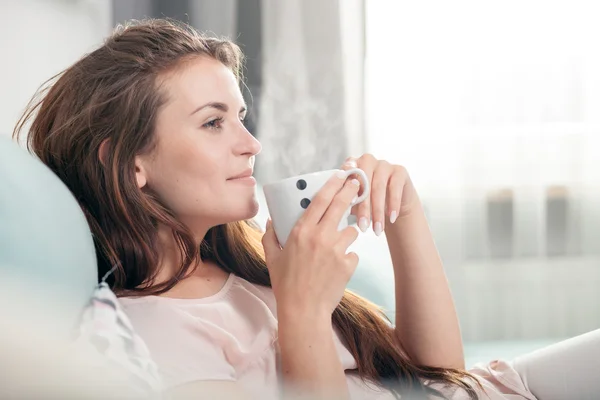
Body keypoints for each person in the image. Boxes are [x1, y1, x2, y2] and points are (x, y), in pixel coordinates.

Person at [14, 19, 599, 400]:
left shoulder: (244, 268)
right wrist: (302, 308)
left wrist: (405, 217)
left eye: (240, 117)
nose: (251, 143)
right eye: (214, 122)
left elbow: (437, 371)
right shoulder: (152, 329)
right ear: (130, 162)